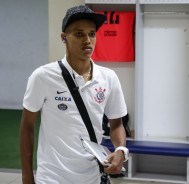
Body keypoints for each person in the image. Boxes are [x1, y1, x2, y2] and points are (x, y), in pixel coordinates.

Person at [20, 5, 128, 184]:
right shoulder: (43, 76)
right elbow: (27, 127)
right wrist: (27, 177)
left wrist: (120, 151)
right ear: (64, 38)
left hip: (92, 177)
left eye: (92, 34)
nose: (87, 40)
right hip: (52, 178)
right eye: (79, 34)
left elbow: (116, 123)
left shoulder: (108, 78)